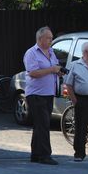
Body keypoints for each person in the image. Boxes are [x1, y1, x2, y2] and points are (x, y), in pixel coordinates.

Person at [23, 26, 65, 165]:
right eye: (49, 38)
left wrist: (58, 71)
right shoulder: (31, 53)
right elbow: (33, 73)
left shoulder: (51, 52)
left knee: (40, 125)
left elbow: (53, 68)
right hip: (36, 94)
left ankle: (36, 154)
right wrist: (52, 69)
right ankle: (45, 155)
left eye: (51, 38)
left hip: (48, 93)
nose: (51, 40)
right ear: (40, 39)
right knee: (43, 124)